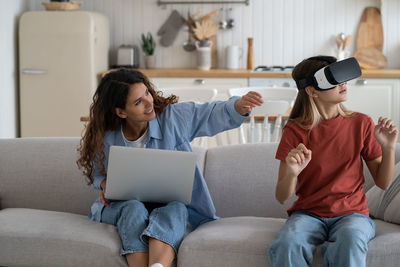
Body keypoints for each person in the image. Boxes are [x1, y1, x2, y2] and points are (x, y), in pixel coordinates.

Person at [77, 68, 263, 267]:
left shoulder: (173, 118)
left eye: (147, 93)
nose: (149, 103)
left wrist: (237, 106)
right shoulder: (105, 134)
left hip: (167, 205)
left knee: (176, 207)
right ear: (121, 112)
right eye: (138, 102)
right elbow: (98, 174)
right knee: (133, 208)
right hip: (122, 207)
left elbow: (208, 114)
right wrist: (104, 183)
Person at [268, 56, 398, 267]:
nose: (343, 83)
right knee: (287, 244)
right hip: (307, 214)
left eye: (343, 77)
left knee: (350, 241)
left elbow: (383, 183)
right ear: (312, 91)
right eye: (333, 79)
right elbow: (282, 197)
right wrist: (292, 173)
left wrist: (389, 147)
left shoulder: (362, 123)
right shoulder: (295, 130)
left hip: (353, 215)